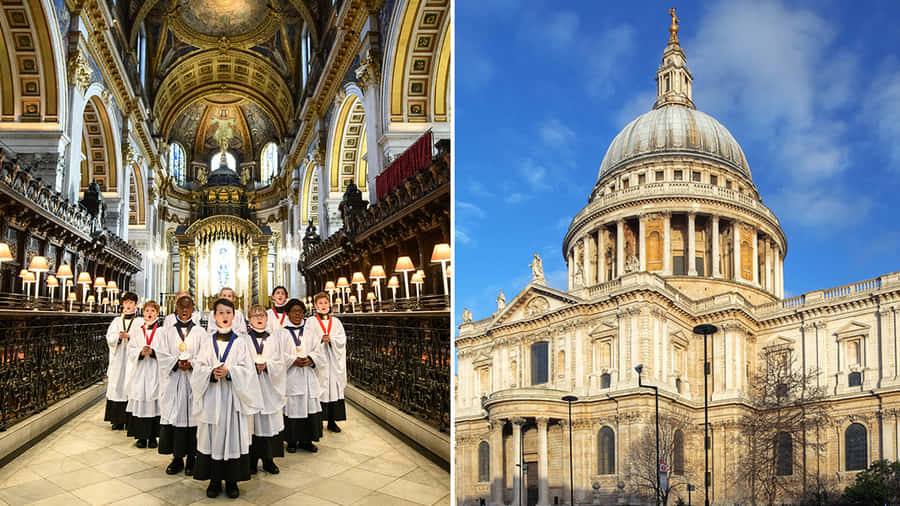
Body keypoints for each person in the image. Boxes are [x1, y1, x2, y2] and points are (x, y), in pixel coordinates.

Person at [191, 298, 262, 499]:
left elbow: (248, 370)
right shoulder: (207, 342)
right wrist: (211, 373)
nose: (224, 316)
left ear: (234, 316)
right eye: (220, 313)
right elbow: (199, 368)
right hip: (213, 397)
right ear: (214, 316)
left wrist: (230, 372)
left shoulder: (241, 342)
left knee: (232, 436)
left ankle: (232, 480)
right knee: (212, 436)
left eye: (228, 313)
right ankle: (214, 479)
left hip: (232, 398)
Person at [156, 295, 203, 475]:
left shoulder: (200, 333)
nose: (185, 310)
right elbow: (161, 354)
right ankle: (176, 458)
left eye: (188, 306)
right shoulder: (167, 331)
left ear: (193, 309)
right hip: (174, 382)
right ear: (176, 308)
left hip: (192, 382)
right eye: (181, 306)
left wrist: (193, 363)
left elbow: (205, 356)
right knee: (174, 417)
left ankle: (192, 458)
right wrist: (176, 363)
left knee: (192, 418)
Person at [246, 305, 286, 474]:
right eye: (254, 316)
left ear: (267, 318)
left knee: (268, 423)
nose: (259, 318)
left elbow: (280, 362)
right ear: (249, 319)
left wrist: (268, 365)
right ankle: (252, 461)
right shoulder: (244, 340)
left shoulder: (274, 339)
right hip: (252, 387)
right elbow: (239, 362)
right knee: (252, 424)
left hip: (269, 387)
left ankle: (269, 460)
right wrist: (253, 366)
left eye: (261, 314)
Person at [280, 298, 321, 452]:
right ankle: (291, 441)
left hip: (307, 375)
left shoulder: (311, 332)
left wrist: (311, 359)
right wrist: (292, 360)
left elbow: (319, 351)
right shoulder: (282, 333)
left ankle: (307, 440)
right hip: (292, 377)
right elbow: (277, 355)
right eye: (294, 311)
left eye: (300, 311)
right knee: (292, 407)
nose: (297, 314)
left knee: (309, 407)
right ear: (288, 314)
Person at [306, 292, 347, 433]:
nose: (323, 306)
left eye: (325, 303)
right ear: (315, 305)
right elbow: (307, 339)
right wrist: (319, 340)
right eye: (320, 303)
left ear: (330, 304)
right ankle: (318, 421)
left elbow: (342, 339)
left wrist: (333, 340)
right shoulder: (311, 321)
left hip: (332, 360)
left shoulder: (336, 322)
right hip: (319, 361)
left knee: (333, 389)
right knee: (320, 389)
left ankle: (332, 421)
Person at [124, 300, 161, 448]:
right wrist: (140, 352)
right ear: (143, 313)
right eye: (147, 311)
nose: (150, 314)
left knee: (154, 402)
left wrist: (154, 352)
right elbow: (130, 349)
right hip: (140, 371)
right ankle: (141, 436)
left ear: (157, 313)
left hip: (154, 370)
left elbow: (165, 350)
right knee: (140, 400)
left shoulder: (161, 331)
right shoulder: (137, 331)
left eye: (153, 311)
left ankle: (152, 436)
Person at [104, 292, 141, 431]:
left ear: (136, 305)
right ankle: (116, 420)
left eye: (131, 303)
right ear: (122, 304)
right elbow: (109, 337)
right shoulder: (116, 321)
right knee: (117, 386)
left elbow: (142, 338)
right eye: (126, 302)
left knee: (129, 385)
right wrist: (118, 337)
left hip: (131, 360)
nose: (128, 305)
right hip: (119, 357)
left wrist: (130, 336)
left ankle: (129, 420)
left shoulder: (139, 322)